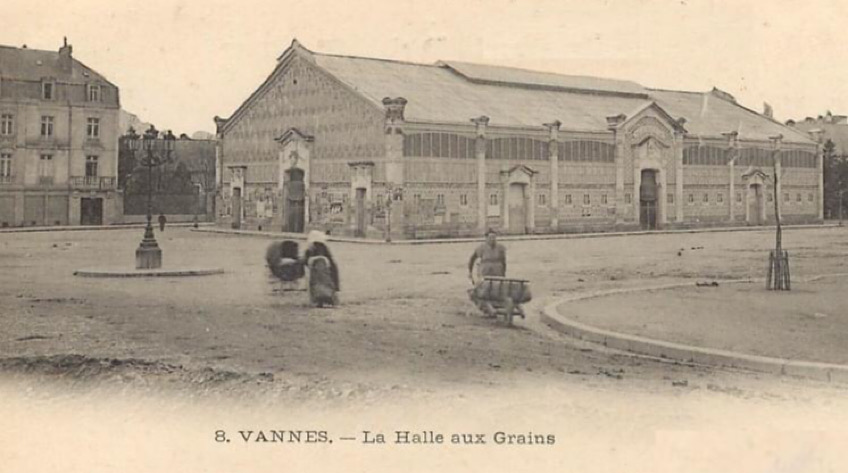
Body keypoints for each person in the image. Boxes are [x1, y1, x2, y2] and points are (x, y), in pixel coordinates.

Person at [468, 228, 507, 317]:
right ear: (486, 238)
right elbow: (472, 259)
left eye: (494, 237)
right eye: (490, 238)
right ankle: (485, 308)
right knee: (484, 289)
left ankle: (496, 306)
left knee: (497, 289)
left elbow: (504, 261)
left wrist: (504, 272)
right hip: (485, 270)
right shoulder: (481, 248)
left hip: (498, 270)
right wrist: (470, 272)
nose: (492, 240)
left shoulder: (501, 248)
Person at [303, 230, 340, 307]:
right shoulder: (324, 248)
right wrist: (336, 286)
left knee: (315, 285)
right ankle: (330, 300)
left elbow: (305, 260)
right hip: (325, 272)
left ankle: (317, 301)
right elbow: (333, 265)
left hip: (315, 272)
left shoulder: (310, 248)